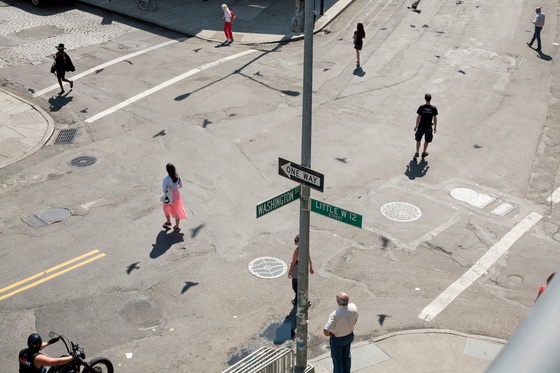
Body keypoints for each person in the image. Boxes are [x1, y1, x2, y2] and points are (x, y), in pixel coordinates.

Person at [323, 292, 359, 373]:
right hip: (349, 336)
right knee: (347, 356)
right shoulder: (353, 307)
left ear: (338, 301)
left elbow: (326, 331)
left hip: (337, 340)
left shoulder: (335, 314)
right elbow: (355, 319)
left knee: (338, 361)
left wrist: (331, 333)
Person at [287, 234, 314, 305]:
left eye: (296, 240)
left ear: (299, 242)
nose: (295, 242)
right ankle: (304, 300)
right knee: (302, 285)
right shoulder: (305, 248)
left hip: (297, 268)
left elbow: (293, 262)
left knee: (295, 286)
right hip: (304, 267)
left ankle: (297, 300)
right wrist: (311, 267)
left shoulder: (297, 251)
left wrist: (289, 271)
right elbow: (309, 258)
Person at [162, 163, 188, 232]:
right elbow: (181, 186)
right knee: (177, 209)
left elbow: (164, 190)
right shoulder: (178, 177)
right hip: (176, 194)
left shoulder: (165, 179)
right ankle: (177, 226)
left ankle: (168, 222)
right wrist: (175, 189)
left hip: (168, 194)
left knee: (166, 208)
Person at [414, 93, 438, 158]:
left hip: (421, 126)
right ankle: (424, 152)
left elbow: (418, 117)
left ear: (425, 99)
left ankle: (417, 152)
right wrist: (435, 127)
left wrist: (416, 126)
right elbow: (435, 118)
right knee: (427, 140)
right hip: (428, 128)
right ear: (430, 99)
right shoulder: (434, 108)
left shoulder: (421, 107)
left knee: (418, 139)